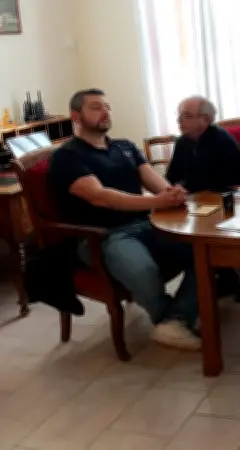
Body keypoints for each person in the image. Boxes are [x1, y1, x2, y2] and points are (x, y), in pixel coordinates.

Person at [49, 88, 201, 350]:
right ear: (76, 116)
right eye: (96, 107)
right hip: (103, 237)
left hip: (146, 224)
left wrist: (172, 193)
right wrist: (157, 202)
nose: (105, 112)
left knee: (203, 251)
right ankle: (170, 320)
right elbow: (100, 197)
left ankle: (175, 319)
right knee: (144, 271)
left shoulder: (125, 147)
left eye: (107, 107)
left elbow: (156, 183)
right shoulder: (67, 156)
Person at [166, 95, 240, 303]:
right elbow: (172, 175)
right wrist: (174, 188)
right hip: (199, 199)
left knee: (231, 234)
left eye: (186, 115)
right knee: (194, 233)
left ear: (205, 120)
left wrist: (186, 187)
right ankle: (227, 277)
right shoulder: (182, 142)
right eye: (179, 115)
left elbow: (219, 180)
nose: (179, 120)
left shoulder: (222, 141)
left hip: (231, 197)